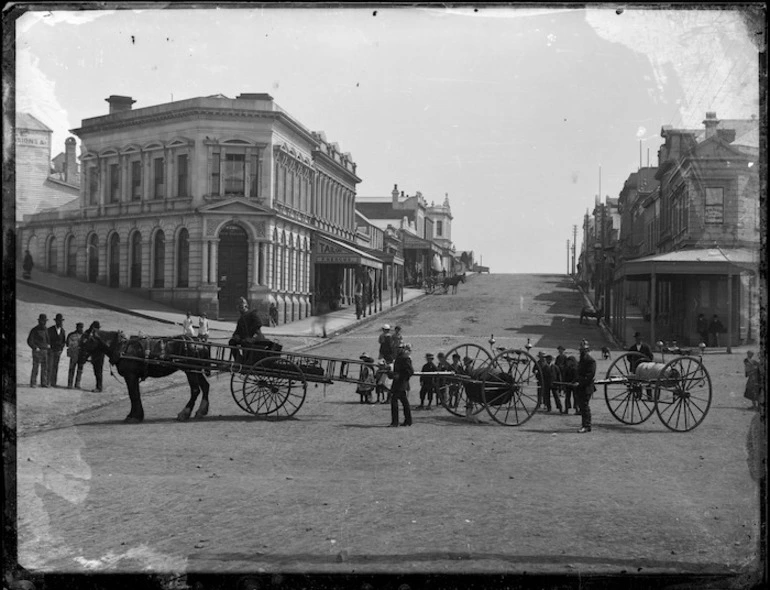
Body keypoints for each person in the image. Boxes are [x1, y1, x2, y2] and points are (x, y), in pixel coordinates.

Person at [571, 340, 597, 433]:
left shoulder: (590, 360)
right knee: (582, 406)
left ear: (587, 350)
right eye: (581, 350)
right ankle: (585, 425)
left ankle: (586, 426)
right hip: (581, 387)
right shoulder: (582, 360)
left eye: (583, 350)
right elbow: (579, 373)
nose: (581, 352)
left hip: (586, 387)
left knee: (585, 406)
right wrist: (574, 381)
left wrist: (580, 383)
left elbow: (589, 376)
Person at [230, 298, 265, 363]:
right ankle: (238, 359)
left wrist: (250, 336)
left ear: (246, 306)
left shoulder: (252, 314)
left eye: (241, 307)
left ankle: (248, 361)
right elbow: (238, 330)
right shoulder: (241, 319)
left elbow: (259, 323)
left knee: (246, 343)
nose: (240, 309)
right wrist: (235, 336)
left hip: (255, 337)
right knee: (232, 342)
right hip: (245, 339)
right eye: (239, 308)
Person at [389, 343, 414, 427]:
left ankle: (395, 422)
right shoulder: (399, 358)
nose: (398, 349)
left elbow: (410, 371)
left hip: (401, 383)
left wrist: (400, 376)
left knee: (394, 401)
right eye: (397, 348)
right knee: (404, 402)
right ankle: (408, 421)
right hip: (398, 383)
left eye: (400, 348)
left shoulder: (404, 358)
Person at [27, 313, 50, 388]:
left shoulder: (46, 329)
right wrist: (35, 347)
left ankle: (44, 383)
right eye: (43, 321)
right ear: (39, 321)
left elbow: (47, 339)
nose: (44, 322)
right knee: (35, 367)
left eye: (45, 321)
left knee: (45, 368)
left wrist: (48, 345)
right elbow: (29, 341)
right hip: (37, 351)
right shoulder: (34, 330)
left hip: (45, 351)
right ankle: (33, 383)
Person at [47, 313, 67, 387]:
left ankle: (53, 382)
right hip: (51, 350)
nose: (60, 323)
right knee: (50, 366)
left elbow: (63, 341)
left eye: (61, 321)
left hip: (58, 351)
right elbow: (47, 340)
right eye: (59, 321)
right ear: (56, 321)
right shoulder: (50, 330)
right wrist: (49, 348)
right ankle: (48, 382)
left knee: (55, 367)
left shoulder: (63, 331)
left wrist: (61, 350)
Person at [83, 321, 104, 392]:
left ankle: (99, 387)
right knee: (97, 372)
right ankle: (98, 386)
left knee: (98, 372)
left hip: (99, 355)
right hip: (95, 355)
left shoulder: (99, 335)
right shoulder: (90, 333)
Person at [66, 322, 85, 389]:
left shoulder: (85, 335)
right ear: (76, 327)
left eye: (82, 327)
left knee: (80, 369)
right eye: (79, 327)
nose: (81, 329)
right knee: (71, 369)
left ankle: (77, 384)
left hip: (81, 355)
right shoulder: (72, 335)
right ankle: (70, 384)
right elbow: (68, 344)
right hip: (74, 354)